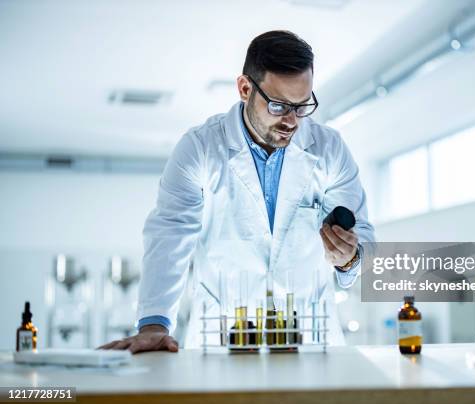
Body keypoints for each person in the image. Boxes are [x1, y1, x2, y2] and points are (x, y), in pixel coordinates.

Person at [99, 30, 375, 353]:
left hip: (310, 341)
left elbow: (364, 236)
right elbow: (170, 235)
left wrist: (349, 257)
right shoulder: (201, 148)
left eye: (302, 107)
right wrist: (154, 324)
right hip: (221, 340)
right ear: (245, 89)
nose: (292, 121)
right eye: (278, 105)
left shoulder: (328, 149)